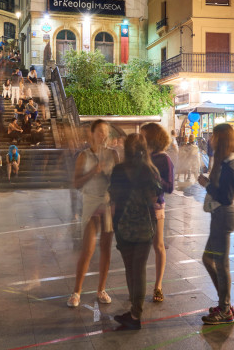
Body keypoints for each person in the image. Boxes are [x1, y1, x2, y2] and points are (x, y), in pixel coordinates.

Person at [109, 134, 161, 330]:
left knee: (130, 268)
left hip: (123, 225)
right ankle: (134, 311)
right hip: (146, 227)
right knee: (139, 269)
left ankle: (135, 313)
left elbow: (113, 200)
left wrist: (114, 225)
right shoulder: (150, 170)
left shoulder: (119, 170)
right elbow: (156, 197)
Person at [197, 123, 234, 325]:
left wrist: (206, 184)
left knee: (221, 264)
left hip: (224, 215)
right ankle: (224, 304)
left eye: (214, 136)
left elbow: (226, 197)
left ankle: (225, 309)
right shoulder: (226, 161)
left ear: (222, 139)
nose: (210, 139)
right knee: (209, 260)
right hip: (219, 215)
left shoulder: (230, 163)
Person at [68, 120, 119, 309]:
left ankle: (101, 289)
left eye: (106, 132)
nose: (103, 135)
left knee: (105, 248)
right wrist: (93, 171)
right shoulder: (84, 155)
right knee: (88, 249)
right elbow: (76, 183)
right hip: (90, 203)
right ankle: (76, 291)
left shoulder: (113, 154)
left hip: (107, 203)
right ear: (92, 133)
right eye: (99, 132)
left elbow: (119, 180)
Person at [140, 123, 174, 304]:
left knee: (158, 245)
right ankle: (138, 286)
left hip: (155, 207)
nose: (140, 139)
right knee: (140, 248)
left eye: (143, 135)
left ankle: (158, 286)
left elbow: (169, 187)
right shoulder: (141, 156)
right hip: (138, 207)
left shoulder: (163, 159)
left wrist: (153, 176)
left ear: (152, 137)